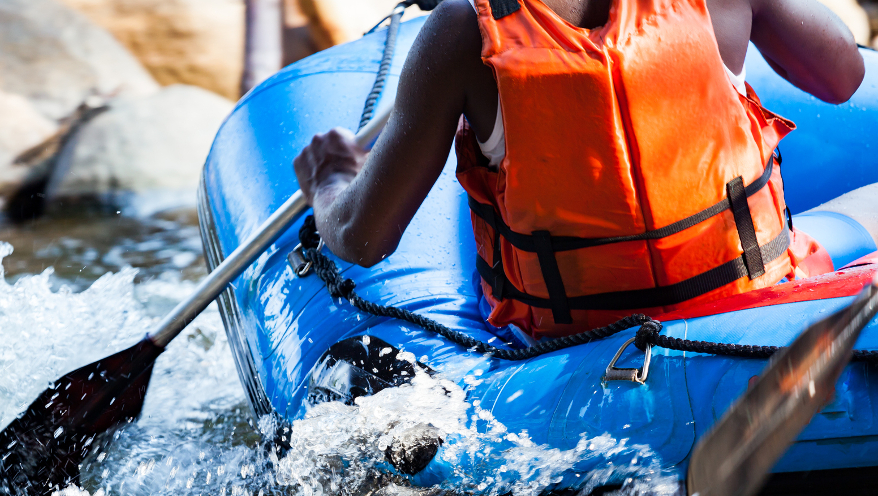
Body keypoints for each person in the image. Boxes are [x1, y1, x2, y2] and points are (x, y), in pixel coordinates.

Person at [293, 0, 866, 338]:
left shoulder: (462, 33)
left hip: (569, 348)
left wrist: (331, 178)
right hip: (758, 310)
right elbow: (842, 76)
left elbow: (362, 237)